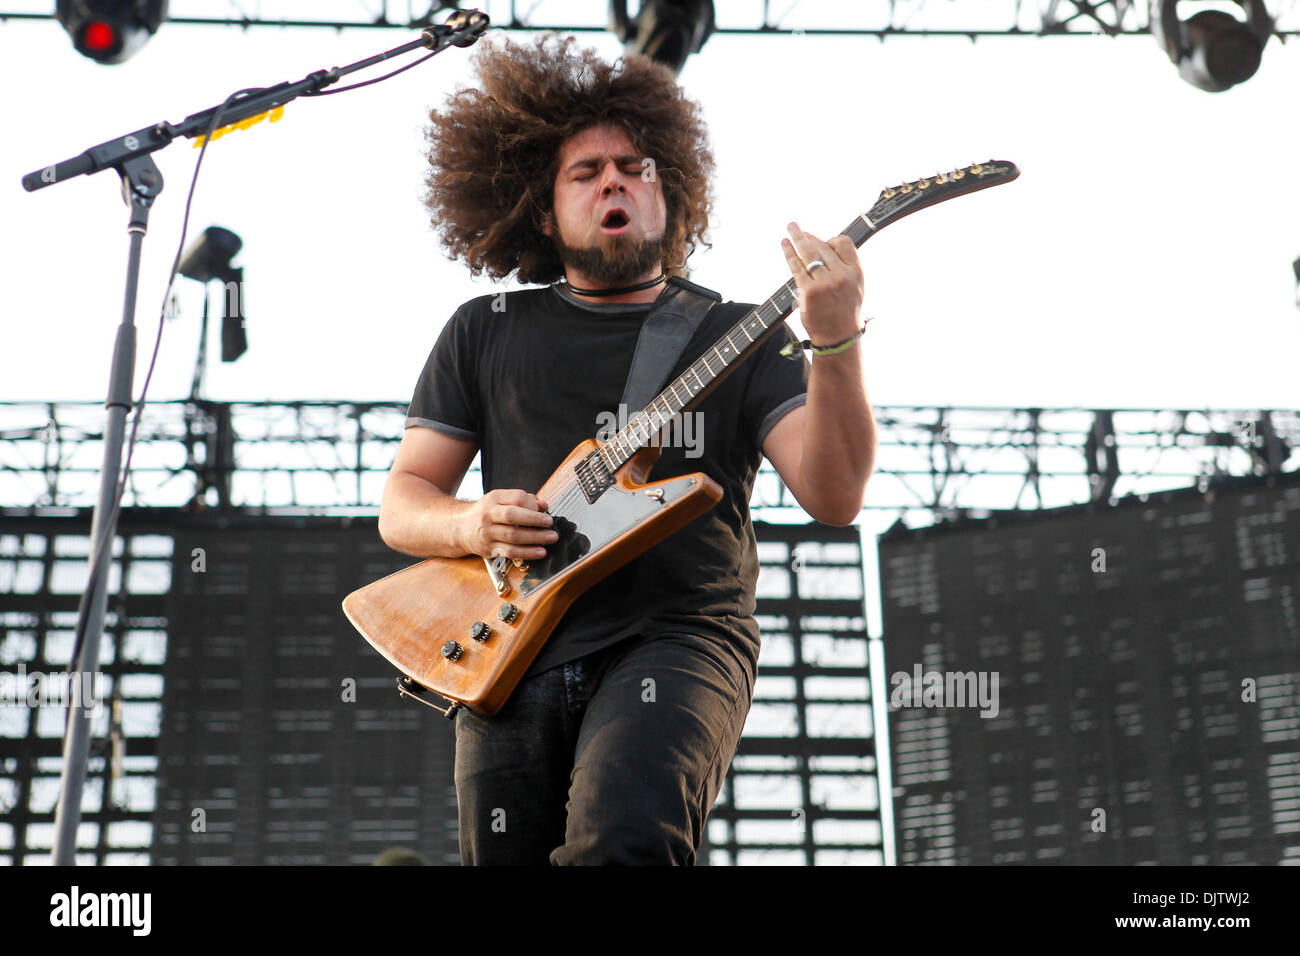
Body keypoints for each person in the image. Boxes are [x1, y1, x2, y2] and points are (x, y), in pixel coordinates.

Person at [377, 33, 876, 865]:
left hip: (678, 635)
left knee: (627, 841)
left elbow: (835, 494)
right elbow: (404, 502)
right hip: (510, 649)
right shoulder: (484, 330)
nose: (616, 179)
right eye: (587, 171)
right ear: (544, 211)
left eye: (637, 168)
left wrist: (835, 341)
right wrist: (471, 526)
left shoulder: (737, 332)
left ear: (668, 197)